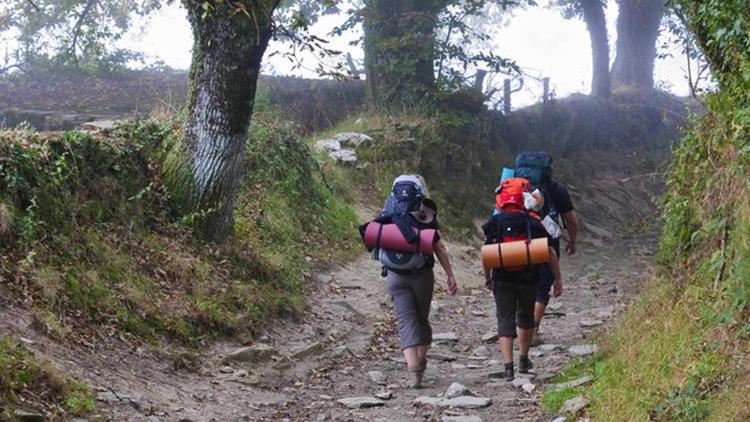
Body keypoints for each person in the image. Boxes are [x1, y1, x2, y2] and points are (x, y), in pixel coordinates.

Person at [370, 176, 458, 388]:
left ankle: (413, 373)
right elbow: (439, 247)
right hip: (422, 275)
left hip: (394, 276)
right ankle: (421, 364)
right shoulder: (425, 215)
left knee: (405, 321)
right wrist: (450, 275)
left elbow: (374, 244)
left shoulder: (387, 215)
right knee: (421, 319)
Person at [482, 177, 562, 381]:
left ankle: (508, 367)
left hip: (502, 278)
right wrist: (557, 279)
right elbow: (550, 252)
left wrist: (488, 277)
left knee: (504, 319)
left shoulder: (494, 222)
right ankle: (523, 360)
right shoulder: (534, 222)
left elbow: (487, 252)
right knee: (525, 318)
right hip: (528, 278)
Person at [528, 156, 577, 346]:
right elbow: (571, 220)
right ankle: (532, 329)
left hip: (517, 240)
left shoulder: (516, 186)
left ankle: (514, 327)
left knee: (521, 281)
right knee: (543, 285)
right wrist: (572, 241)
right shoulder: (557, 190)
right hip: (547, 241)